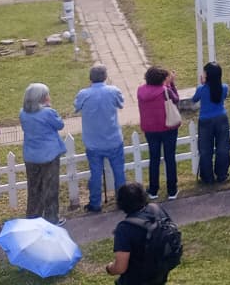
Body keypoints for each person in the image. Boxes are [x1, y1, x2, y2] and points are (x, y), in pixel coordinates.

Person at [75, 64, 126, 211]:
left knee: (95, 174)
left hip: (93, 142)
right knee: (119, 172)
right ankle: (123, 201)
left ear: (90, 78)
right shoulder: (113, 91)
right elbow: (121, 104)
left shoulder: (84, 94)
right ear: (105, 77)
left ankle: (95, 203)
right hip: (113, 139)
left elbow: (76, 107)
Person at [107, 182, 179, 284]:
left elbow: (120, 268)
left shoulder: (124, 229)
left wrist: (109, 268)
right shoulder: (156, 209)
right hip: (160, 272)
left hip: (138, 279)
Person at [20, 83, 64, 223]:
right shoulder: (48, 113)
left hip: (31, 156)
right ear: (43, 98)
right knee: (50, 188)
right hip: (49, 155)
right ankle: (52, 218)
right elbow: (60, 124)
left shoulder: (23, 113)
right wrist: (51, 109)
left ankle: (33, 217)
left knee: (34, 189)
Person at [136, 67, 179, 201]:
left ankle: (153, 189)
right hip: (167, 128)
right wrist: (171, 84)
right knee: (169, 157)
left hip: (150, 129)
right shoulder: (165, 90)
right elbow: (176, 99)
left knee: (154, 159)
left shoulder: (140, 91)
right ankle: (172, 190)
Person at [191, 62, 230, 184]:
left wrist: (202, 84)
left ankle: (207, 177)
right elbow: (223, 96)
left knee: (205, 149)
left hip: (205, 120)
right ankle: (222, 174)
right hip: (221, 118)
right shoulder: (224, 87)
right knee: (222, 148)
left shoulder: (201, 89)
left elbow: (194, 99)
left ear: (207, 75)